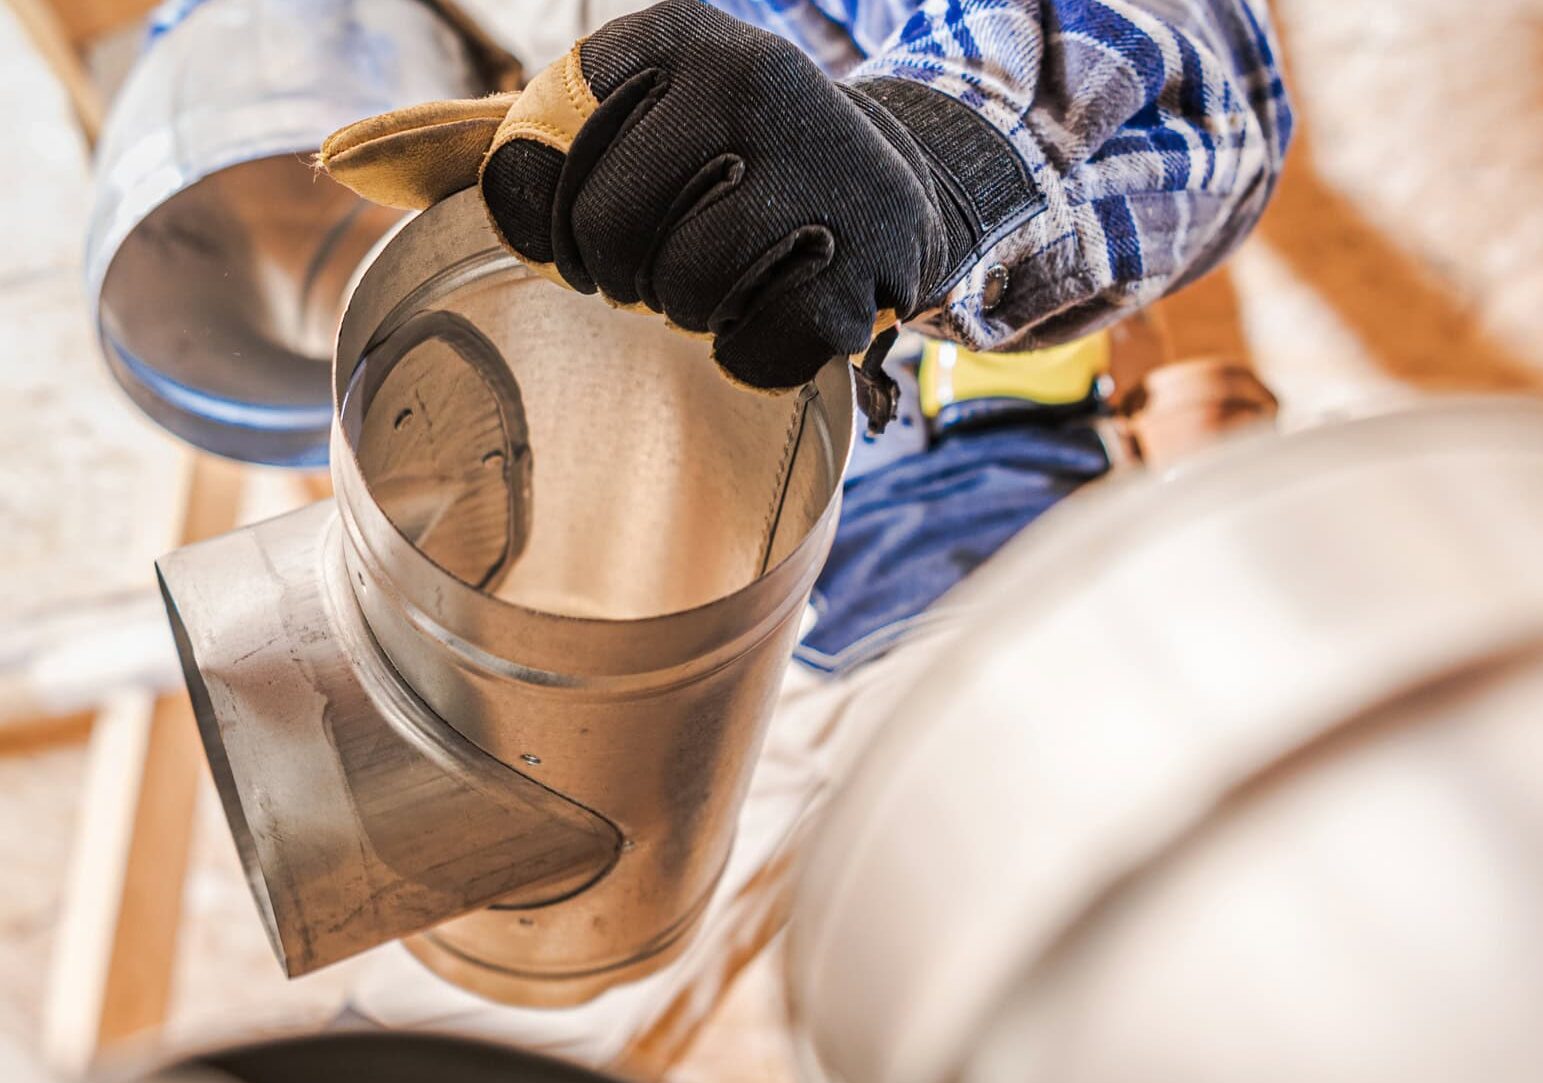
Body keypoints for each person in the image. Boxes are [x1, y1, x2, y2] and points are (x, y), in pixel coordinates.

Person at [261, 0, 1291, 1062]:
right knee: (479, 1007)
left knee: (1046, 985)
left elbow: (1189, 75)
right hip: (675, 634)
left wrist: (936, 154)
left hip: (977, 552)